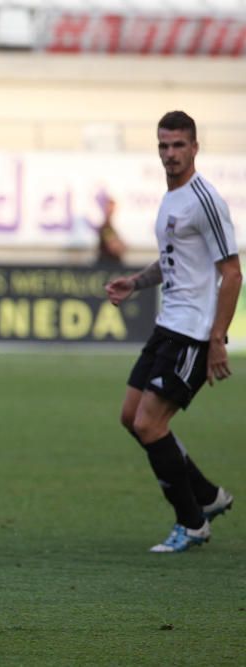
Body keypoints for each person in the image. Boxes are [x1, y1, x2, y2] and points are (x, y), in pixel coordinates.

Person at [105, 111, 240, 553]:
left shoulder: (205, 200)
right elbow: (172, 262)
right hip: (169, 325)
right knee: (131, 417)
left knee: (149, 423)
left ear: (195, 147)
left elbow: (232, 273)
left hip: (194, 332)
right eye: (163, 146)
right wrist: (136, 283)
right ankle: (205, 495)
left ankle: (192, 522)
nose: (170, 154)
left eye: (178, 145)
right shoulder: (170, 199)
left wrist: (218, 338)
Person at [96, 194, 127, 269]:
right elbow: (113, 247)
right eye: (109, 208)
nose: (112, 211)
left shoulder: (110, 227)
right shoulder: (106, 227)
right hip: (107, 266)